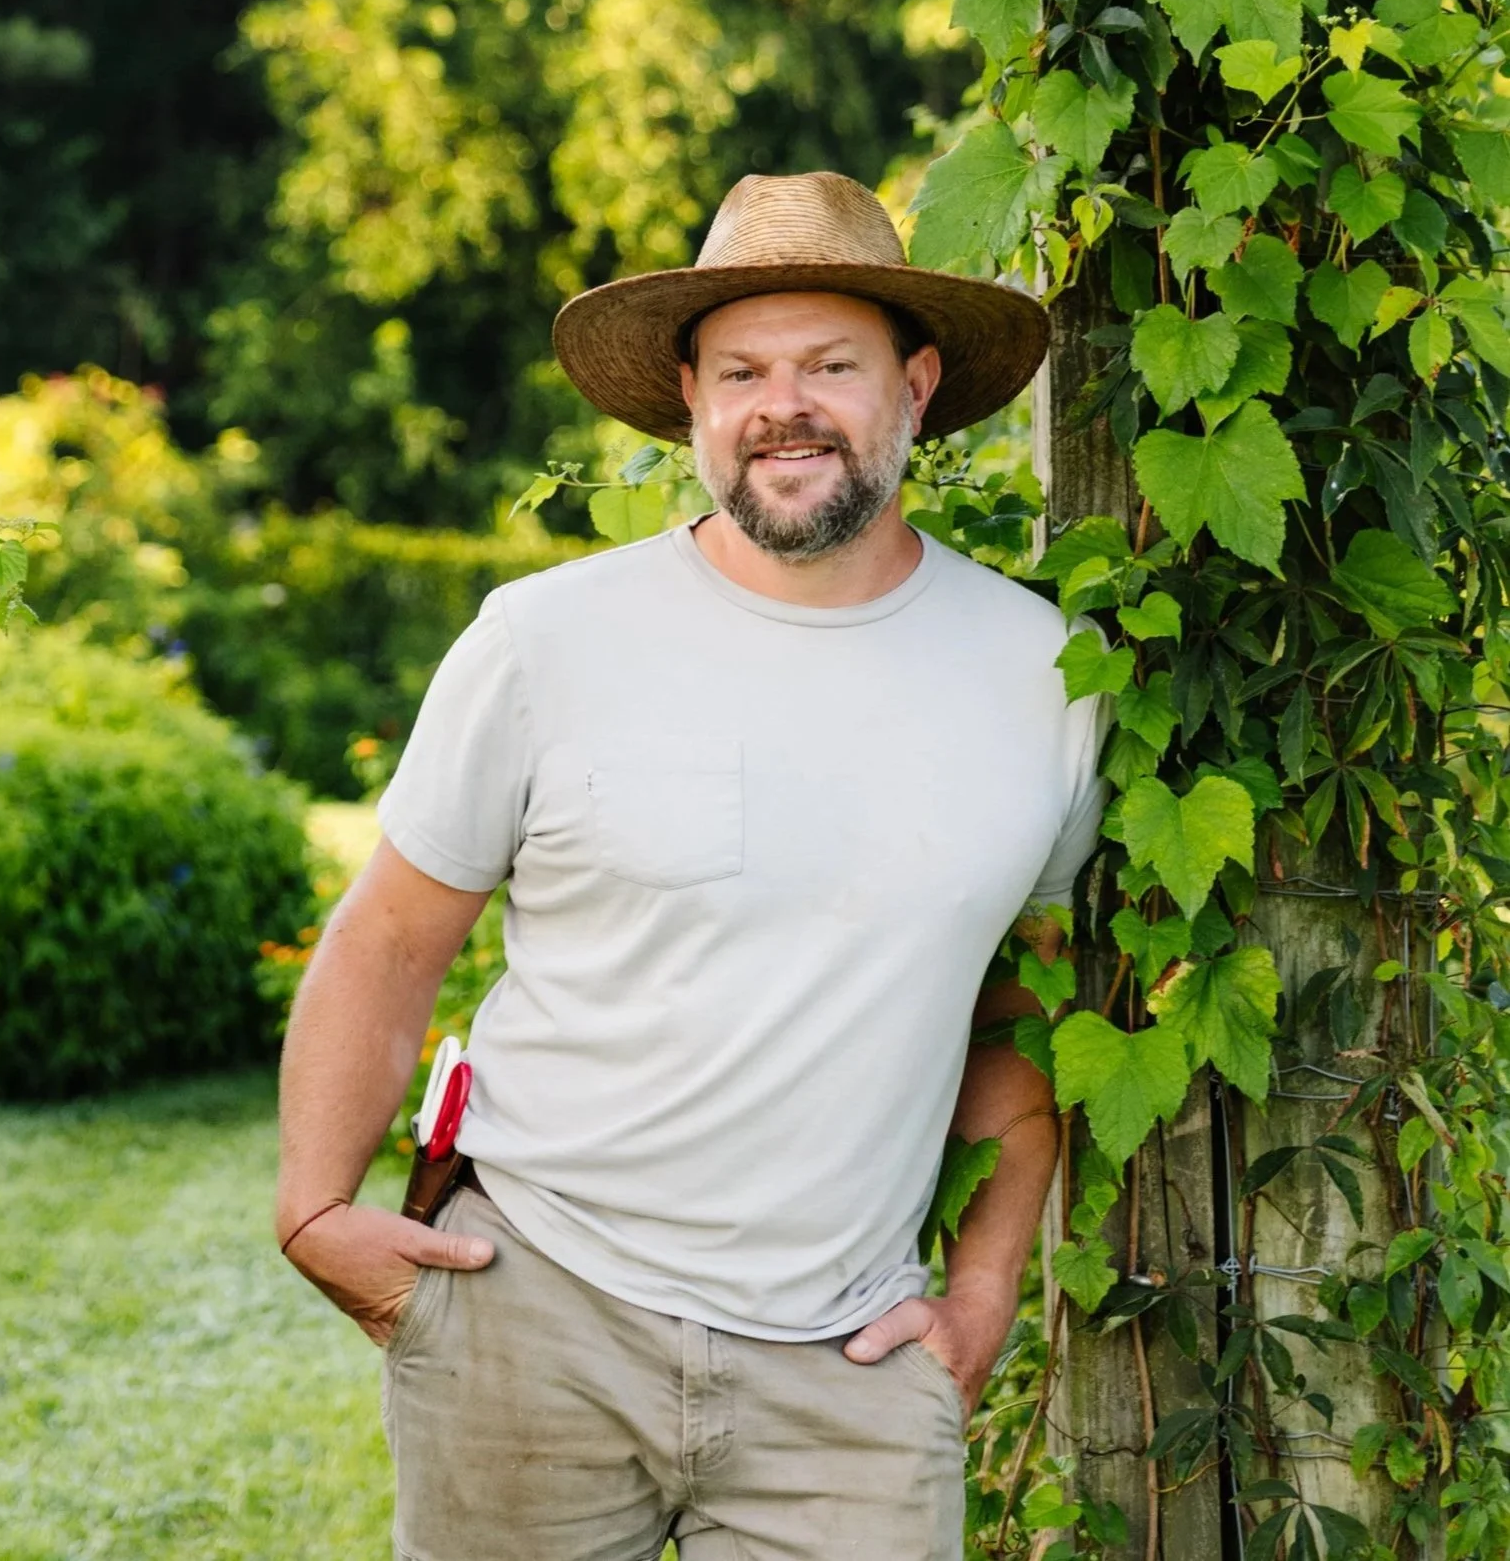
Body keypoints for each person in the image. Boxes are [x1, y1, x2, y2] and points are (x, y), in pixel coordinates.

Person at [275, 170, 1113, 1561]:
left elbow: (1013, 1008)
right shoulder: (544, 641)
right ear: (693, 401)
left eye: (829, 365)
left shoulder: (1040, 675)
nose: (784, 404)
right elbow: (390, 938)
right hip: (532, 1311)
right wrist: (313, 1207)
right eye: (743, 371)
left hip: (845, 1368)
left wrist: (982, 1294)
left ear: (914, 386)